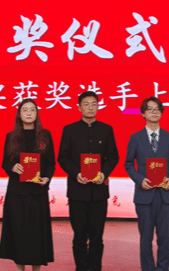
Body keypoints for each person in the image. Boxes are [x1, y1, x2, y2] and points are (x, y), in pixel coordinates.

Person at [57, 91, 119, 271]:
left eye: (94, 104)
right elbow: (63, 157)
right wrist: (76, 173)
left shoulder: (106, 129)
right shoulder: (69, 130)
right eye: (86, 104)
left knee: (97, 237)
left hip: (99, 192)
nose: (90, 107)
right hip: (77, 191)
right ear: (79, 108)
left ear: (98, 107)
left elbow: (113, 157)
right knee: (79, 236)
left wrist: (104, 173)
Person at [124, 96, 169, 271]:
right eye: (150, 109)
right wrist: (139, 180)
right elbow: (129, 164)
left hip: (166, 196)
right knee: (145, 239)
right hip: (144, 196)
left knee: (164, 238)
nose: (154, 112)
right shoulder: (135, 138)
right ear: (143, 113)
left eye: (157, 109)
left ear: (161, 113)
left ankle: (163, 268)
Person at [0, 98, 55, 271]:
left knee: (37, 235)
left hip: (38, 193)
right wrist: (13, 167)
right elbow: (5, 163)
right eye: (25, 110)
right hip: (17, 193)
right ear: (19, 114)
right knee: (19, 234)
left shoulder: (45, 135)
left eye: (32, 110)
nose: (29, 113)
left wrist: (47, 178)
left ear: (37, 114)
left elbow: (51, 163)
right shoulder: (11, 136)